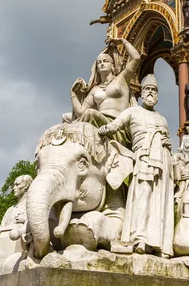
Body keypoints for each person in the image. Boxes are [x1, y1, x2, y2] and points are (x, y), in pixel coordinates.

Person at [98, 74, 174, 257]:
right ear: (141, 93)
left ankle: (156, 242)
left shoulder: (162, 119)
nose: (151, 93)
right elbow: (115, 125)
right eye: (147, 89)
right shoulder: (133, 112)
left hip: (162, 161)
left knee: (158, 200)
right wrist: (103, 129)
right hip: (143, 158)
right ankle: (139, 237)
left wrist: (167, 144)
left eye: (154, 90)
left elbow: (167, 139)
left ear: (157, 95)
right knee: (143, 194)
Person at [69, 38, 140, 139]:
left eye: (105, 61)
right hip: (100, 124)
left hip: (117, 126)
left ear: (112, 66)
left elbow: (136, 58)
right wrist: (73, 93)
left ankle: (74, 136)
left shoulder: (122, 79)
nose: (102, 63)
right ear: (97, 68)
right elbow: (80, 113)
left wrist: (123, 41)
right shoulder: (95, 89)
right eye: (99, 62)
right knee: (68, 117)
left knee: (90, 113)